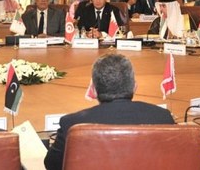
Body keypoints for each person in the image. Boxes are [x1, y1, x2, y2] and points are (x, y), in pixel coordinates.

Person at [44, 54, 175, 170]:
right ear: (134, 87)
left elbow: (52, 165)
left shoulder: (72, 124)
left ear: (93, 90)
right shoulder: (163, 118)